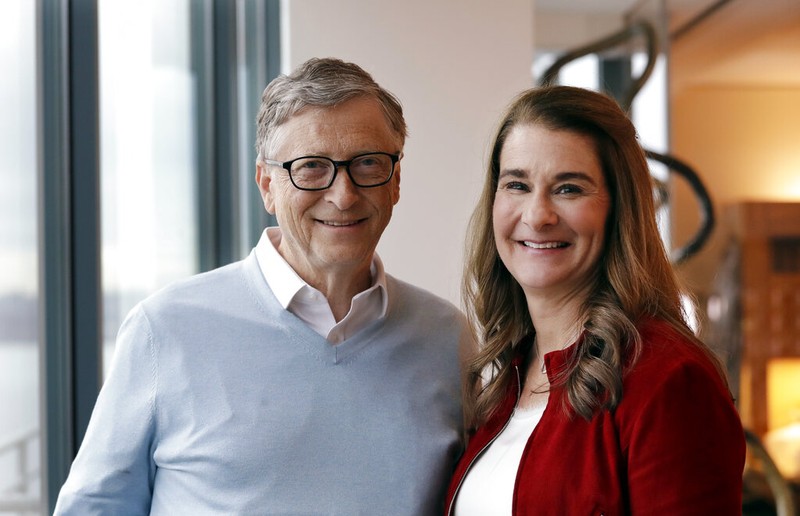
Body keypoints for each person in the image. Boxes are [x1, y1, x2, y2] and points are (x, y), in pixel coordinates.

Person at [55, 57, 471, 515]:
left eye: (368, 164)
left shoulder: (447, 337)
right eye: (311, 167)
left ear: (395, 182)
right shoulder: (165, 329)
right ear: (267, 184)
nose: (343, 194)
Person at [445, 85, 745, 515]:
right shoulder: (502, 378)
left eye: (569, 188)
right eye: (517, 184)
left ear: (619, 208)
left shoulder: (669, 379)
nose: (537, 215)